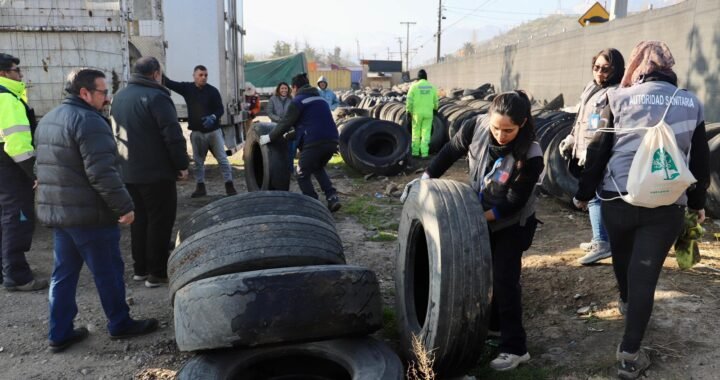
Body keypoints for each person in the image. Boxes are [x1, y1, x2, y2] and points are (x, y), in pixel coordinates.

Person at [573, 41, 708, 379]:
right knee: (645, 274)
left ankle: (625, 301)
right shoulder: (691, 102)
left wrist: (583, 192)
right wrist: (698, 203)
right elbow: (701, 160)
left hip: (617, 198)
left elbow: (598, 148)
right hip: (665, 203)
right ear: (670, 68)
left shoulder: (616, 97)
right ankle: (630, 354)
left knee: (622, 258)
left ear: (637, 66)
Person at [404, 91, 543, 371]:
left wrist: (474, 220)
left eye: (509, 131)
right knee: (483, 271)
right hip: (480, 212)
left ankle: (515, 347)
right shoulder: (475, 126)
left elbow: (513, 203)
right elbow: (449, 152)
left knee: (505, 278)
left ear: (523, 124)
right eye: (496, 128)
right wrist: (425, 179)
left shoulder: (531, 153)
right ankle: (493, 325)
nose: (501, 135)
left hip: (511, 222)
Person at [35, 69, 159, 353]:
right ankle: (120, 323)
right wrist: (125, 206)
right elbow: (102, 173)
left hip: (61, 215)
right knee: (109, 272)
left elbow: (40, 167)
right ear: (84, 93)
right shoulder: (90, 122)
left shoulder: (49, 119)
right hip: (90, 216)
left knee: (63, 275)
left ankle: (59, 332)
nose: (107, 98)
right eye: (103, 92)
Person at [111, 57, 189, 288]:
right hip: (156, 173)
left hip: (127, 172)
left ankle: (140, 269)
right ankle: (157, 273)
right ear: (156, 73)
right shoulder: (158, 96)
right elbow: (172, 135)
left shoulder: (119, 97)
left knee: (140, 220)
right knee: (160, 221)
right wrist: (181, 165)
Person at [559, 48, 625, 265]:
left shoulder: (616, 93)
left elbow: (609, 130)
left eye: (606, 69)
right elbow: (581, 118)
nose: (600, 73)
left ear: (616, 70)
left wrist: (594, 151)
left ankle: (602, 242)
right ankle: (601, 237)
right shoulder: (591, 88)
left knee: (596, 196)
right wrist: (570, 138)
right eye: (596, 68)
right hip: (584, 149)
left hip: (599, 153)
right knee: (594, 195)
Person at [259, 73, 341, 212]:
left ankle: (314, 205)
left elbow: (285, 123)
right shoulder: (320, 100)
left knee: (301, 173)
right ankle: (332, 197)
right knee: (317, 168)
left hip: (315, 141)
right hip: (332, 140)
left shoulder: (298, 101)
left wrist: (269, 137)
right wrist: (287, 137)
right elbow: (307, 125)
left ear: (295, 87)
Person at [0, 53, 47, 291]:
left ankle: (6, 267)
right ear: (4, 73)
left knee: (4, 217)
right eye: (17, 70)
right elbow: (16, 143)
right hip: (12, 168)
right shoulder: (7, 98)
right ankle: (17, 275)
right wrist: (33, 172)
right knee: (16, 219)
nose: (21, 75)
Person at [164, 65, 237, 197]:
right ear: (194, 76)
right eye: (201, 75)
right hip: (197, 133)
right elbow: (169, 83)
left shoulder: (213, 91)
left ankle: (229, 186)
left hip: (214, 132)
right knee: (198, 162)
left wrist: (213, 117)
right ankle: (200, 187)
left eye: (206, 75)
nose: (204, 77)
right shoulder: (187, 89)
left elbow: (220, 109)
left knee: (223, 159)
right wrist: (158, 71)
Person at [406, 69, 438, 158]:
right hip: (428, 113)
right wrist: (435, 108)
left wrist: (408, 111)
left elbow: (409, 100)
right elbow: (436, 100)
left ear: (418, 78)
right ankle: (424, 153)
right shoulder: (432, 87)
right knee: (426, 133)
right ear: (426, 77)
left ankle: (415, 153)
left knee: (416, 133)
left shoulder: (414, 86)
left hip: (416, 114)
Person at [267, 82, 296, 172]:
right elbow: (269, 112)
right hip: (276, 127)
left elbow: (295, 111)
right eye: (282, 88)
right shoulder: (273, 99)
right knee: (277, 149)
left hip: (289, 127)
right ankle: (278, 170)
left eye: (285, 88)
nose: (284, 90)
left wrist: (289, 120)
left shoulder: (292, 99)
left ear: (288, 90)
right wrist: (279, 119)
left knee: (291, 149)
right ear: (278, 90)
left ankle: (290, 170)